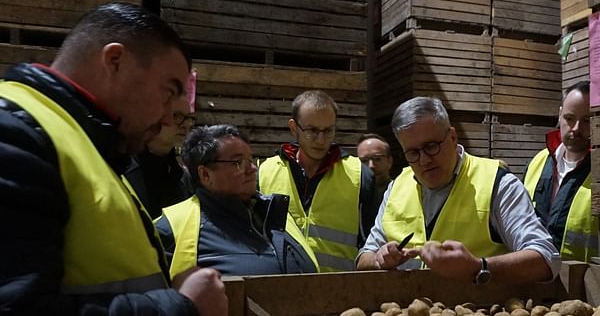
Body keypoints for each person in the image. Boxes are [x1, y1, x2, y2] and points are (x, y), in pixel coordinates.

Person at [0, 3, 228, 316]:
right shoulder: (15, 135)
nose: (169, 117)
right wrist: (181, 312)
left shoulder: (85, 144)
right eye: (168, 92)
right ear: (115, 60)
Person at [356, 97, 560, 285]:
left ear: (453, 137)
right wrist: (378, 259)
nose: (424, 160)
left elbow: (545, 259)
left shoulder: (497, 184)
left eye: (432, 146)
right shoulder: (397, 187)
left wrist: (479, 267)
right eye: (413, 152)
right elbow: (364, 257)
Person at [155, 124, 318, 278]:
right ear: (205, 174)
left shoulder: (276, 215)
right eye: (238, 162)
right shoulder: (170, 229)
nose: (252, 169)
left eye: (250, 160)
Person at [257, 90, 378, 272]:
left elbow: (370, 244)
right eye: (312, 131)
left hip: (341, 293)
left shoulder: (360, 176)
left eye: (328, 130)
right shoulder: (264, 172)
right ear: (293, 128)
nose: (321, 140)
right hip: (278, 291)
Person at [523, 81, 598, 262]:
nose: (577, 128)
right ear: (559, 115)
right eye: (570, 118)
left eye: (587, 120)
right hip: (533, 277)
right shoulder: (538, 162)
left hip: (583, 284)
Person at [125, 70, 196, 218]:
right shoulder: (124, 171)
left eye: (189, 118)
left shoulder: (184, 177)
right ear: (152, 115)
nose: (186, 125)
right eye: (177, 116)